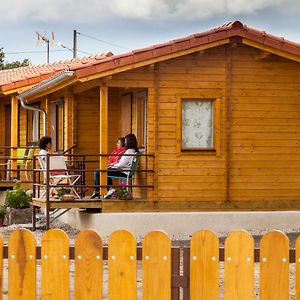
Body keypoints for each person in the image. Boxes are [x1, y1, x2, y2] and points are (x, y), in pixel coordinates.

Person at [91, 133, 138, 199]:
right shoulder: (133, 151)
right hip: (126, 171)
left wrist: (112, 166)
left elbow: (121, 165)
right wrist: (113, 165)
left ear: (129, 142)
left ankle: (100, 190)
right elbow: (122, 163)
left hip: (123, 172)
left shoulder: (129, 151)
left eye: (125, 141)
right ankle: (109, 189)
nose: (124, 143)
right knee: (103, 170)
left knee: (99, 171)